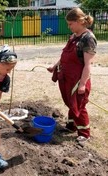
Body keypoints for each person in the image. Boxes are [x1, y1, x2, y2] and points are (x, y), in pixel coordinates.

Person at [47, 8, 97, 143]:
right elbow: (65, 55)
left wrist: (82, 84)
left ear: (80, 21)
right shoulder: (74, 36)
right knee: (70, 103)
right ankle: (71, 126)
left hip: (78, 79)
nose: (69, 27)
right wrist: (55, 66)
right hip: (66, 76)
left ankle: (84, 133)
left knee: (78, 105)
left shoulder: (88, 39)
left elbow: (88, 65)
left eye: (70, 24)